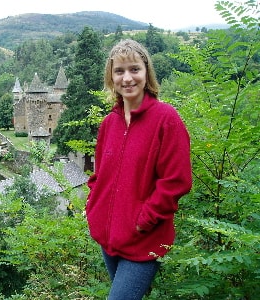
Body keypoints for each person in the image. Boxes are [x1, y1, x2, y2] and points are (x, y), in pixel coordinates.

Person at [85, 39, 192, 300]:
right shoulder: (109, 123)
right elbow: (100, 175)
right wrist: (94, 206)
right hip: (108, 239)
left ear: (146, 72)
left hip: (144, 240)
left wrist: (144, 219)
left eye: (135, 69)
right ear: (111, 77)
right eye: (119, 71)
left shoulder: (166, 119)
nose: (128, 78)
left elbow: (177, 181)